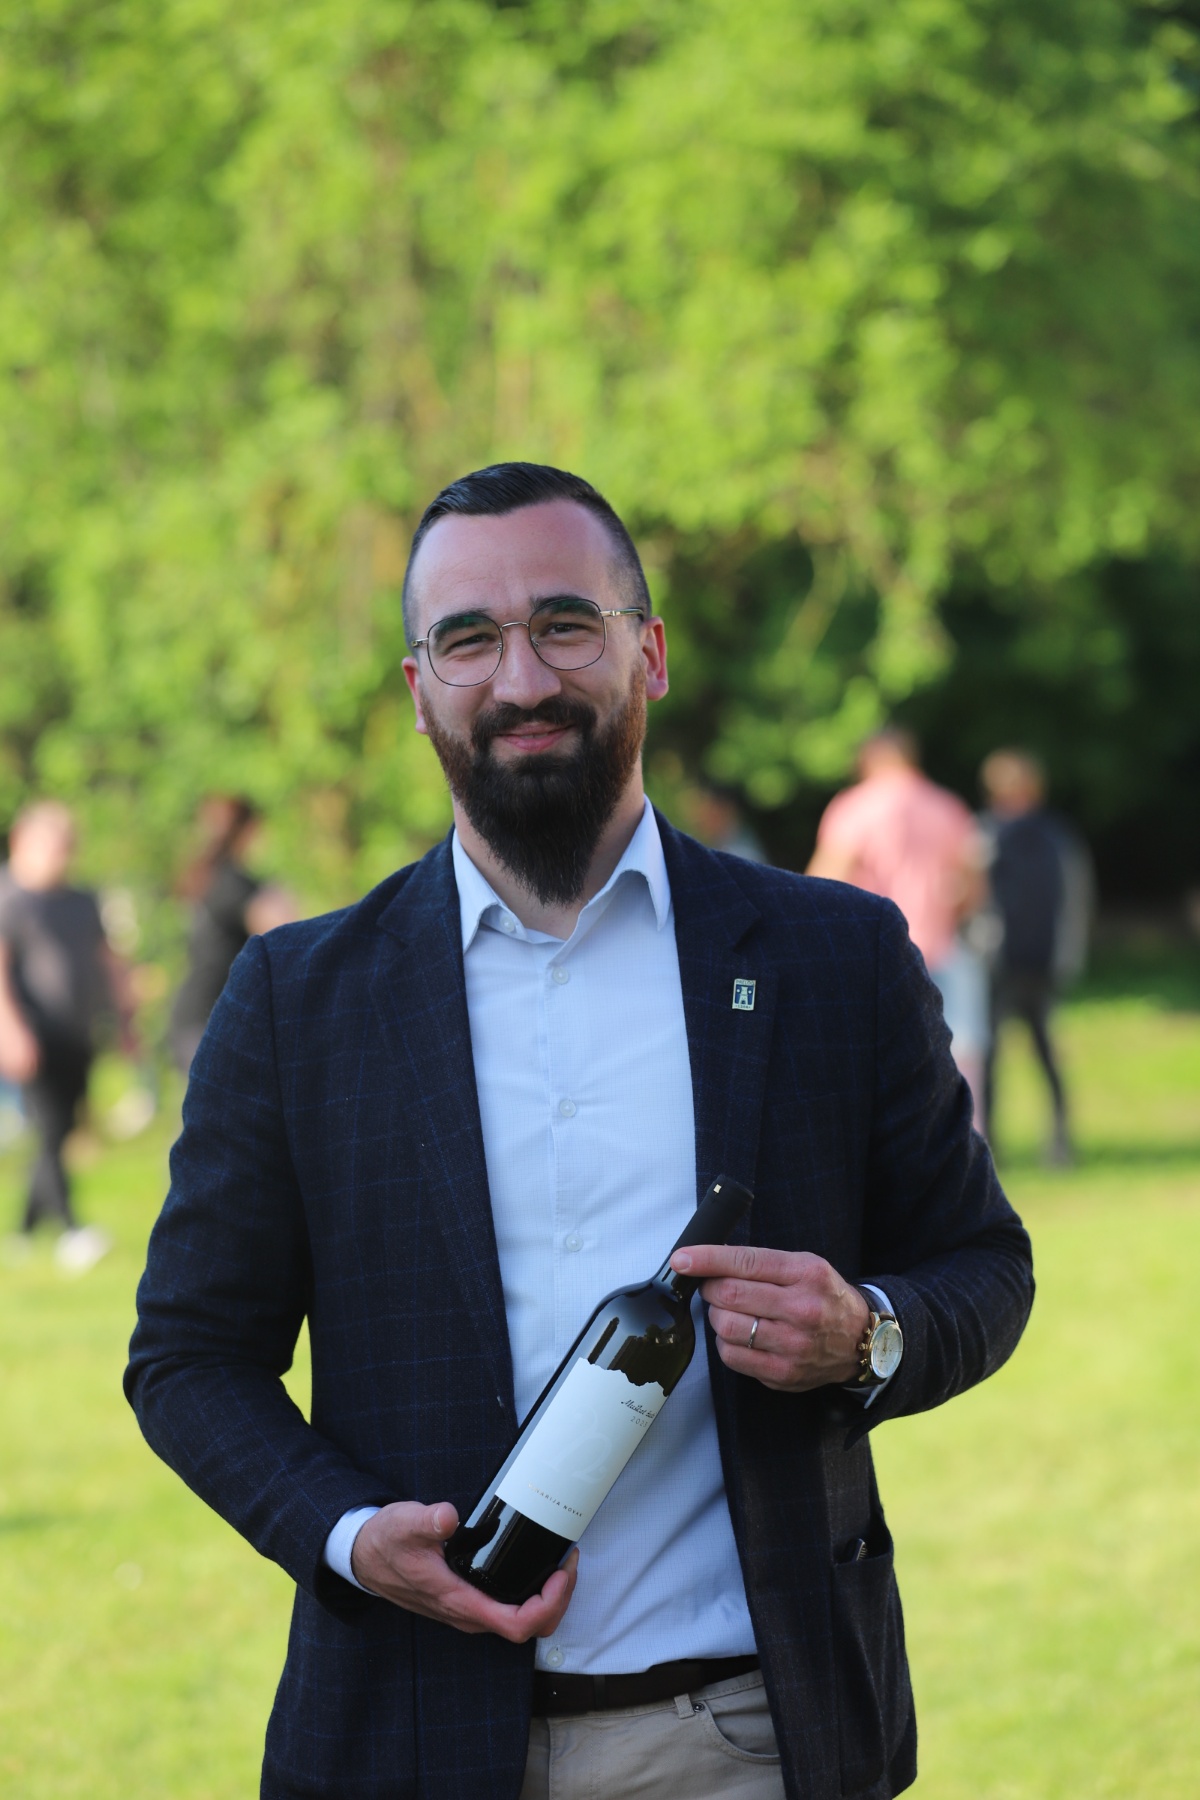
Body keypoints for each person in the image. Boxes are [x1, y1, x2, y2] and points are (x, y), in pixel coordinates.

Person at [126, 464, 1033, 1800]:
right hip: (407, 1739)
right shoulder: (299, 999)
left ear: (648, 654)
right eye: (468, 640)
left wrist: (867, 1336)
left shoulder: (832, 956)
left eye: (565, 624)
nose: (521, 679)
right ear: (418, 687)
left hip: (750, 1739)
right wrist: (351, 1534)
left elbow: (985, 1266)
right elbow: (190, 1358)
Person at [807, 728, 989, 1122]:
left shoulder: (855, 807)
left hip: (874, 955)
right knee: (962, 1056)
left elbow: (822, 886)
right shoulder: (948, 806)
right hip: (942, 946)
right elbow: (974, 889)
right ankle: (965, 1142)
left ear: (872, 758)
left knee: (876, 1064)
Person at [0, 801, 133, 1267]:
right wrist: (10, 1031)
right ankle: (73, 1229)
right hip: (34, 1032)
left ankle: (21, 1232)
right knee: (52, 1127)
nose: (63, 855)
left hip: (78, 1029)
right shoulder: (10, 898)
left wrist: (126, 1020)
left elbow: (107, 961)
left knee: (58, 1130)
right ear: (23, 842)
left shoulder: (81, 899)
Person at [978, 749, 1092, 1165]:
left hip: (1043, 961)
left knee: (1046, 1052)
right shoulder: (982, 833)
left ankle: (1060, 1141)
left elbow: (1077, 896)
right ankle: (989, 1143)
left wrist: (1069, 954)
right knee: (988, 1055)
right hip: (995, 962)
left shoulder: (1056, 835)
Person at [168, 795, 295, 1072]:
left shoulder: (213, 877)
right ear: (249, 830)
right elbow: (285, 936)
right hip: (206, 1018)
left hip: (202, 1016)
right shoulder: (234, 884)